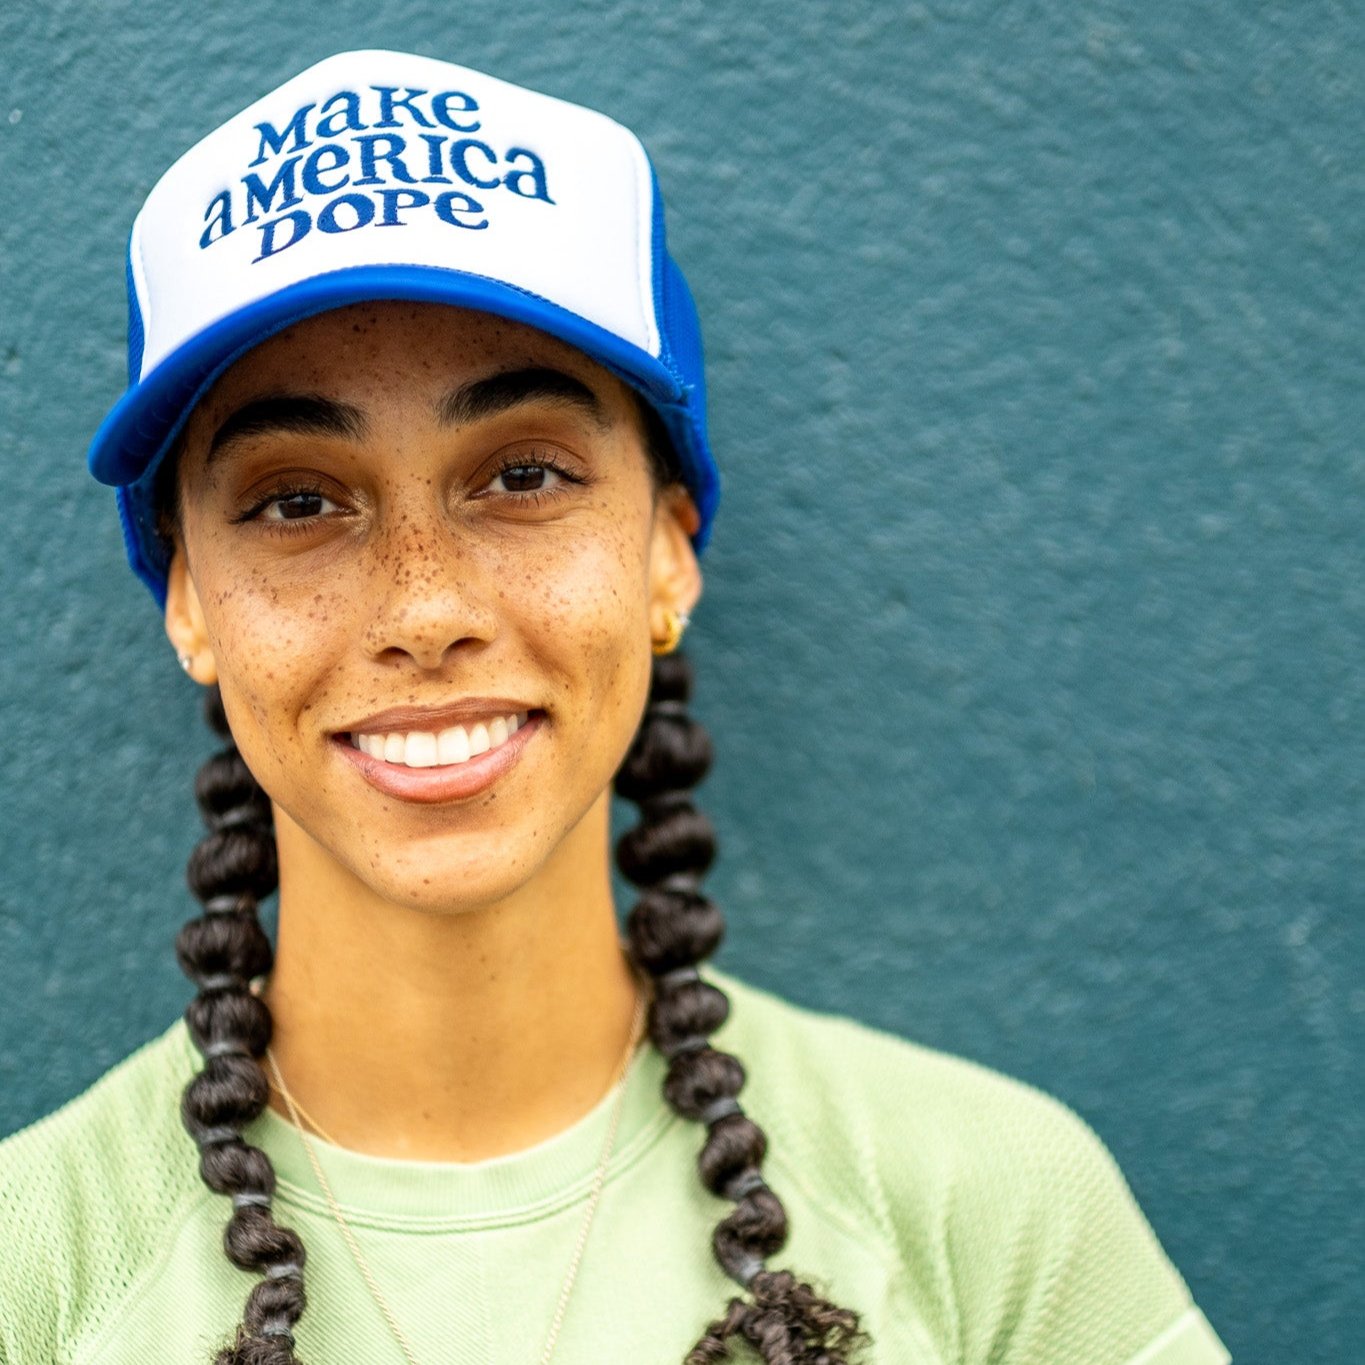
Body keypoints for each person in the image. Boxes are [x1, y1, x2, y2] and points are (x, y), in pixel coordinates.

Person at [0, 49, 1230, 1365]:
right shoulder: (37, 1272)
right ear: (191, 597)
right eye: (297, 501)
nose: (425, 608)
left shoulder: (990, 1211)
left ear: (666, 549)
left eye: (520, 474)